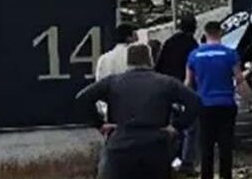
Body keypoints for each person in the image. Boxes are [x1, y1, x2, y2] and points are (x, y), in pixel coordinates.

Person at [76, 43, 201, 179]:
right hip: (156, 145)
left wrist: (99, 123)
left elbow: (82, 98)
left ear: (128, 62)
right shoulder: (166, 82)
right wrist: (177, 126)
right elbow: (195, 102)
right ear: (150, 60)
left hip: (120, 144)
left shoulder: (113, 82)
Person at [185, 21, 246, 179]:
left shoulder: (194, 55)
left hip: (204, 104)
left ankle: (207, 176)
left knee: (206, 145)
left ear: (205, 34)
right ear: (220, 33)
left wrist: (185, 102)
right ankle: (226, 175)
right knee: (226, 145)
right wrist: (247, 99)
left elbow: (188, 82)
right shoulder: (230, 53)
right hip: (226, 103)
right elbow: (239, 78)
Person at [156, 13, 200, 173]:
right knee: (190, 128)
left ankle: (167, 161)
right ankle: (187, 163)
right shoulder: (193, 45)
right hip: (185, 89)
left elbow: (158, 67)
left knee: (170, 126)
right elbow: (195, 71)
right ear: (194, 27)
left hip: (167, 90)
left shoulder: (169, 43)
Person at [94, 24, 140, 122]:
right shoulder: (136, 57)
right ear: (129, 37)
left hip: (110, 109)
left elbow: (99, 84)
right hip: (134, 109)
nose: (138, 38)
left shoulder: (104, 59)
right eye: (135, 35)